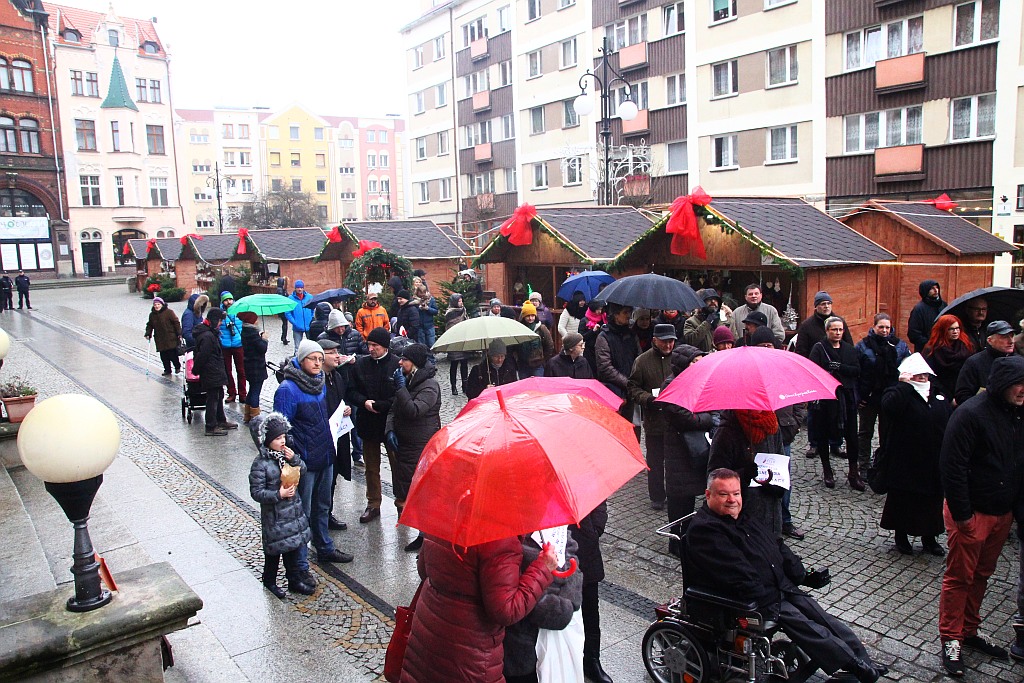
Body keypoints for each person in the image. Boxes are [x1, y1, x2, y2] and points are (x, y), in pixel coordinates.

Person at [685, 469, 889, 683]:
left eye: (736, 493)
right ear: (708, 495)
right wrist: (769, 593)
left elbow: (775, 544)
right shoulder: (705, 530)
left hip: (779, 585)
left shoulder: (742, 516)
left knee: (824, 619)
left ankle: (863, 660)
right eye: (724, 494)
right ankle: (855, 667)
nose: (732, 500)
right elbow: (736, 573)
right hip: (754, 598)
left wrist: (797, 572)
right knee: (810, 628)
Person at [938, 356, 1024, 676]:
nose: (1023, 390)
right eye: (1019, 383)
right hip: (972, 513)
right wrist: (963, 515)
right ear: (1002, 383)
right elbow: (952, 466)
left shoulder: (1017, 413)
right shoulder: (970, 414)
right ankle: (951, 638)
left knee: (982, 574)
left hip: (1002, 513)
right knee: (960, 577)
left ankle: (969, 631)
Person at [399, 535, 558, 683]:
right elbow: (506, 611)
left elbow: (424, 570)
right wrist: (542, 568)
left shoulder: (442, 515)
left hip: (428, 634)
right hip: (469, 654)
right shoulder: (500, 537)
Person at [273, 339, 353, 564]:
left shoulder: (319, 382)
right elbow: (280, 429)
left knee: (322, 506)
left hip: (325, 454)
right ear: (301, 360)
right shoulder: (287, 389)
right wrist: (294, 458)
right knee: (303, 511)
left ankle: (324, 547)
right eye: (313, 358)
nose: (318, 363)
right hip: (304, 460)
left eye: (320, 359)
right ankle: (299, 562)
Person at [877, 353, 952, 557]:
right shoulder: (898, 392)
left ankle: (930, 538)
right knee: (903, 499)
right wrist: (903, 385)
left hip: (933, 458)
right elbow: (889, 407)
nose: (922, 378)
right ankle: (901, 536)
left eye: (924, 374)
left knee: (931, 501)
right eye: (917, 374)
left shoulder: (938, 393)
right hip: (905, 458)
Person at [248, 411, 314, 598]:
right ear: (267, 440)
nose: (282, 441)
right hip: (275, 517)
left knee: (292, 548)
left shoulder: (285, 455)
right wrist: (278, 494)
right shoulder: (261, 464)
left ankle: (294, 580)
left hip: (292, 512)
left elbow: (302, 469)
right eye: (278, 438)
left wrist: (294, 459)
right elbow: (257, 492)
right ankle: (270, 581)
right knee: (274, 553)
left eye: (283, 436)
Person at [503, 530, 583, 683]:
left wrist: (568, 598)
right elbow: (512, 594)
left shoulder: (551, 521)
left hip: (551, 642)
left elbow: (571, 554)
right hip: (520, 648)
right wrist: (560, 608)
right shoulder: (506, 540)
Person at [386, 343, 441, 553]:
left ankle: (428, 537)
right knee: (411, 490)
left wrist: (400, 389)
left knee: (424, 492)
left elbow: (414, 410)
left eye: (404, 359)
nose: (400, 362)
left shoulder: (430, 386)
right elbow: (394, 409)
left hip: (421, 445)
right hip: (404, 446)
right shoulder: (408, 381)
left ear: (415, 363)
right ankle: (422, 533)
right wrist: (389, 429)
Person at [660, 345, 714, 547]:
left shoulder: (696, 382)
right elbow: (682, 416)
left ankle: (688, 536)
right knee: (678, 497)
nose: (699, 366)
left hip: (693, 447)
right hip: (679, 448)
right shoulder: (671, 384)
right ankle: (676, 538)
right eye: (695, 362)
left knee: (689, 495)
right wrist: (707, 418)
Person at [348, 327, 401, 524]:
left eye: (375, 346)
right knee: (371, 467)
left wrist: (382, 405)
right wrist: (364, 402)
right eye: (369, 345)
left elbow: (400, 394)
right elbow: (351, 391)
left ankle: (401, 503)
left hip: (390, 424)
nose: (371, 349)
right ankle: (373, 503)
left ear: (385, 347)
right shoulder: (361, 365)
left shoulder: (396, 364)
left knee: (397, 465)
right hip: (368, 422)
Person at [708, 406, 786, 537]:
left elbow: (780, 459)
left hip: (772, 515)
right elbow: (713, 476)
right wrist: (742, 475)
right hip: (743, 518)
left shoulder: (772, 424)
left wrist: (780, 485)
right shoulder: (727, 431)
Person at [809, 316, 863, 491]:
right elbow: (814, 371)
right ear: (827, 331)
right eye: (834, 329)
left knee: (852, 437)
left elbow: (856, 370)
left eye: (840, 330)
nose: (838, 333)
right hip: (827, 399)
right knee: (823, 434)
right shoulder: (819, 349)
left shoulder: (848, 349)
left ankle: (854, 472)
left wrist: (839, 367)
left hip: (846, 399)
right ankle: (827, 470)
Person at [628, 323, 677, 510]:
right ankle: (657, 496)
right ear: (654, 340)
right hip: (654, 420)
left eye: (671, 341)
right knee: (655, 462)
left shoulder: (678, 358)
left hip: (675, 420)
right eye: (664, 342)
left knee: (674, 461)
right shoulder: (642, 361)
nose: (668, 345)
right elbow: (632, 388)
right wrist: (648, 399)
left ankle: (674, 493)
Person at [855, 313, 910, 474]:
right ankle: (863, 465)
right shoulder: (862, 346)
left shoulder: (899, 346)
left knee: (887, 432)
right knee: (865, 433)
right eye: (881, 327)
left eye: (887, 327)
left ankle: (884, 464)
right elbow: (856, 373)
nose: (885, 330)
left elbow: (907, 368)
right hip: (869, 397)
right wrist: (858, 396)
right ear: (874, 327)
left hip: (890, 396)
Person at [571, 501, 613, 683]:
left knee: (590, 609)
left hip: (585, 543)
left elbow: (598, 497)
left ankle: (591, 660)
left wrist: (595, 527)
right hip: (551, 547)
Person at [318, 338, 353, 533]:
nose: (337, 356)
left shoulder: (336, 376)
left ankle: (327, 513)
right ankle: (320, 517)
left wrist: (345, 408)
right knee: (323, 480)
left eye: (337, 352)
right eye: (332, 353)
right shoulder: (317, 380)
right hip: (323, 437)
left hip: (338, 435)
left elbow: (341, 398)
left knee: (332, 477)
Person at [595, 303, 641, 428]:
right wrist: (627, 382)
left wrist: (636, 379)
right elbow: (605, 367)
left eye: (629, 312)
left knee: (633, 427)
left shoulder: (631, 334)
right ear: (616, 315)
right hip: (613, 390)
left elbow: (639, 358)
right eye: (625, 312)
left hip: (631, 389)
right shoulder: (604, 337)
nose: (628, 316)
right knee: (615, 427)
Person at [192, 308, 235, 436]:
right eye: (220, 320)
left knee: (219, 395)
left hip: (215, 370)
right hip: (211, 372)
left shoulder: (211, 333)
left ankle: (220, 420)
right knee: (213, 398)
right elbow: (202, 356)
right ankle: (211, 425)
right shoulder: (207, 336)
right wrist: (196, 370)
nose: (221, 323)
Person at [954, 320, 1015, 406]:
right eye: (1004, 337)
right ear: (990, 340)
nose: (1011, 341)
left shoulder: (1018, 361)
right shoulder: (974, 363)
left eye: (1012, 336)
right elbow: (962, 395)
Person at [922, 314, 974, 396]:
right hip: (940, 392)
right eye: (951, 329)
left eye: (957, 328)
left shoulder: (966, 346)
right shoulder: (932, 349)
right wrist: (947, 396)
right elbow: (930, 375)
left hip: (962, 390)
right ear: (943, 330)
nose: (955, 332)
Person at [794, 291, 853, 357]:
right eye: (823, 304)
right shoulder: (806, 325)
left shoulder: (840, 322)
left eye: (829, 303)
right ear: (816, 306)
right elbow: (801, 351)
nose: (826, 306)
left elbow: (849, 344)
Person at [238, 311, 268, 424]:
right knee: (256, 391)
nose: (258, 321)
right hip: (256, 366)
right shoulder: (252, 333)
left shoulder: (246, 331)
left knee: (252, 389)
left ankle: (247, 414)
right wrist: (264, 339)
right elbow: (262, 349)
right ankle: (255, 417)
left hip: (249, 365)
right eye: (256, 319)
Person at [218, 292, 246, 403]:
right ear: (222, 302)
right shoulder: (220, 313)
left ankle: (243, 394)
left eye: (230, 299)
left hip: (238, 344)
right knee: (227, 371)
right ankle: (231, 392)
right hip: (225, 345)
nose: (228, 302)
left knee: (241, 370)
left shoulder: (239, 311)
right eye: (226, 300)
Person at [144, 296, 182, 376]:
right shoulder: (152, 315)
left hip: (170, 337)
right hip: (160, 339)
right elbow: (150, 325)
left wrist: (179, 333)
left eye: (158, 304)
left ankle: (177, 366)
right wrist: (148, 333)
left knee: (173, 354)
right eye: (155, 304)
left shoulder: (169, 312)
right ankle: (167, 369)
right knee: (163, 356)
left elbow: (176, 322)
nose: (157, 306)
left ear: (162, 304)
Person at [516, 302, 554, 379]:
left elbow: (549, 345)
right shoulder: (519, 328)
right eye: (528, 316)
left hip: (538, 365)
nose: (530, 318)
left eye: (532, 315)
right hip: (523, 365)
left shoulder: (541, 328)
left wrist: (543, 359)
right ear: (523, 316)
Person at [907, 279, 946, 353]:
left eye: (936, 287)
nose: (935, 290)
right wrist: (929, 343)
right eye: (932, 288)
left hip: (943, 349)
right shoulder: (919, 309)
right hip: (925, 351)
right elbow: (913, 333)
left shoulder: (943, 305)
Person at [444, 294, 470, 395]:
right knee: (454, 364)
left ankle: (465, 385)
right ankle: (453, 386)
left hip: (463, 339)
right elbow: (450, 326)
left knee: (464, 364)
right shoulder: (450, 313)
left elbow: (466, 322)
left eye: (461, 301)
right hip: (454, 340)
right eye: (459, 301)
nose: (461, 303)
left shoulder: (464, 310)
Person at [285, 280, 314, 348]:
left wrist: (312, 319)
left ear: (303, 288)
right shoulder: (290, 298)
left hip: (309, 325)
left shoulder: (309, 297)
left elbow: (313, 308)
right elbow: (287, 312)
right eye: (298, 287)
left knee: (312, 346)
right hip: (297, 326)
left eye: (301, 287)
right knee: (297, 347)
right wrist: (294, 322)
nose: (299, 289)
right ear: (295, 288)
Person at [276, 274, 290, 344]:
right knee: (285, 323)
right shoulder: (280, 290)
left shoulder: (281, 289)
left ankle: (283, 337)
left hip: (282, 309)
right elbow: (282, 299)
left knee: (285, 323)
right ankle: (284, 338)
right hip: (282, 309)